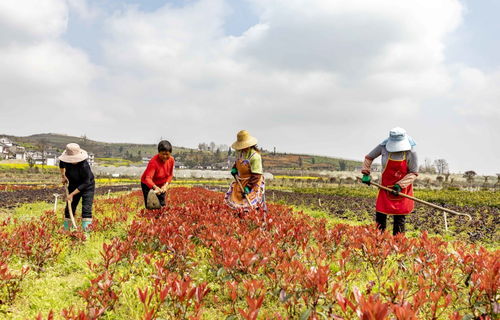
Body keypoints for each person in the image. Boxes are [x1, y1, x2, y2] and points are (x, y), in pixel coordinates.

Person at [361, 127, 418, 235]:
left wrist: (400, 185)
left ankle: (398, 246)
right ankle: (378, 243)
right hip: (385, 187)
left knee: (399, 220)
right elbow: (369, 158)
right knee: (380, 217)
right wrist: (365, 173)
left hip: (402, 190)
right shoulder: (383, 147)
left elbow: (413, 173)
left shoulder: (411, 152)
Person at [224, 130, 267, 213]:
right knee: (235, 201)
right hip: (241, 180)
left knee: (252, 205)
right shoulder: (240, 153)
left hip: (253, 182)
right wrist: (234, 169)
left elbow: (257, 175)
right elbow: (237, 163)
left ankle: (256, 219)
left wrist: (248, 187)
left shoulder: (255, 157)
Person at [59, 143, 95, 231]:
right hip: (73, 184)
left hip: (87, 186)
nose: (72, 160)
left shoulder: (84, 165)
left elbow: (86, 182)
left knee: (86, 209)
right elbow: (61, 166)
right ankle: (67, 231)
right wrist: (63, 176)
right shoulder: (65, 161)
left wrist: (71, 195)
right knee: (69, 208)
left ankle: (86, 234)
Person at [141, 140, 175, 209]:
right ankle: (150, 219)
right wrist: (155, 188)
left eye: (167, 154)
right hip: (148, 184)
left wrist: (165, 185)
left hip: (161, 184)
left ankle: (159, 219)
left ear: (170, 153)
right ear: (158, 153)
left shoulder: (171, 160)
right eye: (163, 154)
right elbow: (148, 178)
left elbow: (170, 175)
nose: (165, 156)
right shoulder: (153, 162)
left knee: (162, 204)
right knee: (151, 205)